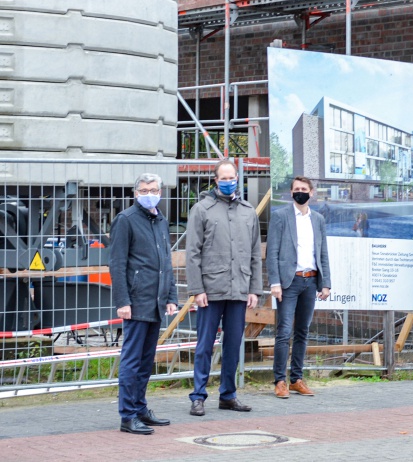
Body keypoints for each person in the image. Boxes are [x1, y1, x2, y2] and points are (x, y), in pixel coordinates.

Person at [186, 160, 262, 415]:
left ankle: (228, 395)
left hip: (239, 288)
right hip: (211, 288)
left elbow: (254, 253)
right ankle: (198, 396)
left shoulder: (248, 211)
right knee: (204, 344)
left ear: (238, 178)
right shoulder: (202, 209)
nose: (229, 182)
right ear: (215, 180)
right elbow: (193, 253)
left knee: (232, 345)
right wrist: (197, 289)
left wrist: (254, 289)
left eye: (233, 177)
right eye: (224, 178)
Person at [110, 173, 178, 434]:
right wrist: (123, 301)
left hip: (156, 302)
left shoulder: (160, 220)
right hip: (136, 301)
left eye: (153, 189)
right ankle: (127, 415)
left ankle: (139, 408)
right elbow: (117, 263)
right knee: (132, 360)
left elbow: (166, 264)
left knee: (146, 359)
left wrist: (171, 296)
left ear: (160, 191)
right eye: (144, 189)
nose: (149, 193)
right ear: (135, 193)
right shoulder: (126, 220)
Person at [267, 176, 331, 399]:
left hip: (311, 281)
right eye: (296, 189)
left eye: (304, 189)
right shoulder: (280, 217)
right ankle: (280, 381)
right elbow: (272, 251)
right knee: (284, 332)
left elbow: (322, 252)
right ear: (291, 192)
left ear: (311, 192)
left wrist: (325, 283)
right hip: (289, 282)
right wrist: (274, 282)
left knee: (302, 331)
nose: (300, 192)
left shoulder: (318, 219)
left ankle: (296, 379)